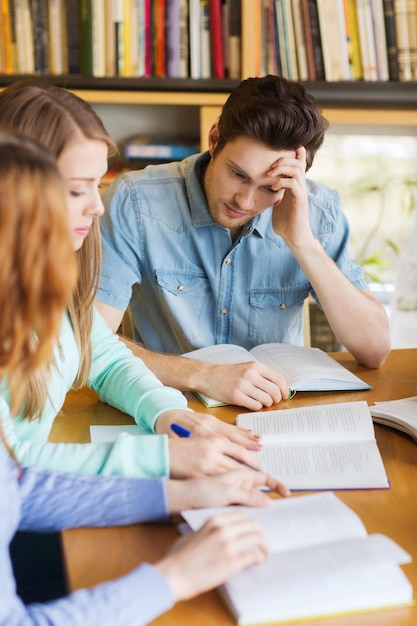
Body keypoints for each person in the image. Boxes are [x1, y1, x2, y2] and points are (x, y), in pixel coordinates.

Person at [0, 130, 289, 624]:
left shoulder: (39, 284)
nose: (98, 207)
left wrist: (177, 484)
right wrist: (173, 576)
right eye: (78, 188)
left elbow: (17, 488)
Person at [0, 79, 262, 479]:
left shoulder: (42, 276)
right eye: (76, 190)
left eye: (96, 185)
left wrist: (170, 415)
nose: (96, 208)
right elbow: (8, 465)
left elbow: (102, 359)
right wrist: (161, 461)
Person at [96, 74, 391, 411]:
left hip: (277, 413)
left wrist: (302, 242)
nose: (245, 201)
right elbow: (88, 343)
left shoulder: (318, 213)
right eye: (238, 174)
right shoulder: (135, 202)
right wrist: (204, 375)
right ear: (215, 139)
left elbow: (375, 350)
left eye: (269, 188)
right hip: (169, 407)